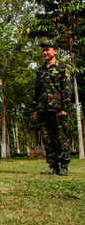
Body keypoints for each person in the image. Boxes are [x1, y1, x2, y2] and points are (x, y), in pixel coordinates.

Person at [33, 41, 72, 176]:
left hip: (58, 109)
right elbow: (37, 91)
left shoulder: (62, 68)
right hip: (43, 110)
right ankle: (53, 166)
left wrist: (65, 108)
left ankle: (64, 166)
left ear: (55, 51)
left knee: (61, 138)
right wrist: (36, 109)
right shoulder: (40, 70)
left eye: (47, 50)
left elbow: (66, 89)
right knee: (47, 139)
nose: (45, 52)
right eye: (43, 50)